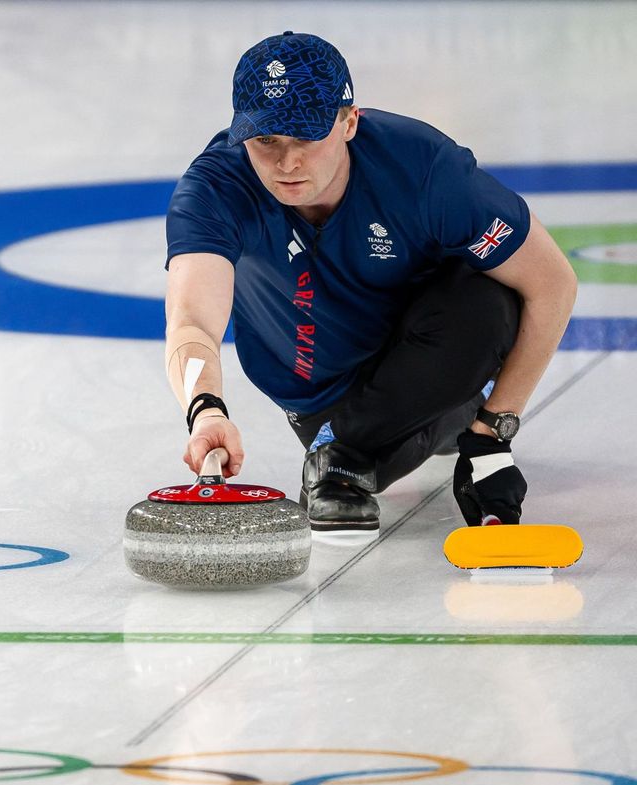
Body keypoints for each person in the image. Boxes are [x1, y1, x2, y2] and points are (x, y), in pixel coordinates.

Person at [163, 30, 578, 533]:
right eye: (265, 139)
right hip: (324, 402)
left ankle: (344, 460)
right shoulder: (215, 188)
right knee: (345, 445)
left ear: (348, 122)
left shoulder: (423, 169)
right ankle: (338, 454)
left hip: (444, 365)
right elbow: (192, 320)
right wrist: (206, 412)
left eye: (306, 136)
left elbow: (551, 282)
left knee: (490, 296)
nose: (286, 162)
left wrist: (493, 434)